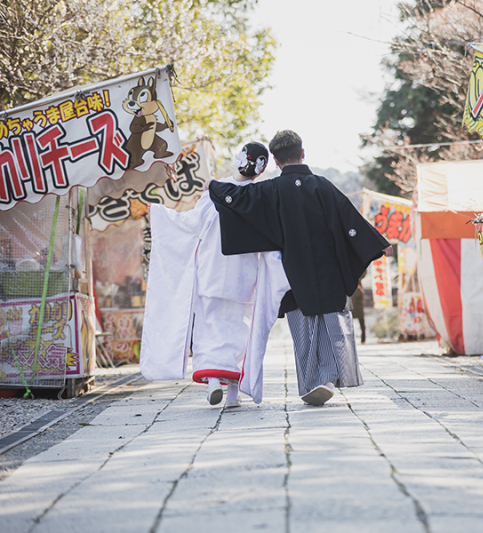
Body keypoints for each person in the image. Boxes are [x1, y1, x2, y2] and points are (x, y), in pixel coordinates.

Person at [208, 130, 391, 406]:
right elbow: (348, 218)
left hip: (293, 270)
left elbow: (229, 196)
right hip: (328, 267)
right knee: (331, 322)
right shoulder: (323, 185)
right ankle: (328, 377)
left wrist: (227, 180)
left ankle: (310, 383)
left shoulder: (269, 190)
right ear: (303, 154)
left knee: (303, 326)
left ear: (276, 163)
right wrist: (377, 243)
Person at [140, 142, 290, 407]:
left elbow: (193, 224)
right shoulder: (260, 196)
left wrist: (160, 213)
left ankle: (212, 382)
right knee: (239, 329)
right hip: (244, 274)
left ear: (238, 159)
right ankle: (233, 392)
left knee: (210, 327)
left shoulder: (215, 191)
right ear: (261, 169)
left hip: (212, 267)